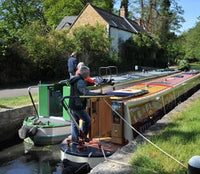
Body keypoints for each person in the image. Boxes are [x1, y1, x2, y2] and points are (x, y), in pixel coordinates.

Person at [68, 66, 99, 144]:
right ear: (85, 73)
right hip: (78, 104)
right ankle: (83, 136)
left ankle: (75, 140)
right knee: (87, 120)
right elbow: (84, 92)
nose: (89, 75)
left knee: (74, 122)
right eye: (88, 73)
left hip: (72, 103)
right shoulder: (80, 81)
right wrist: (97, 94)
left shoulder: (74, 79)